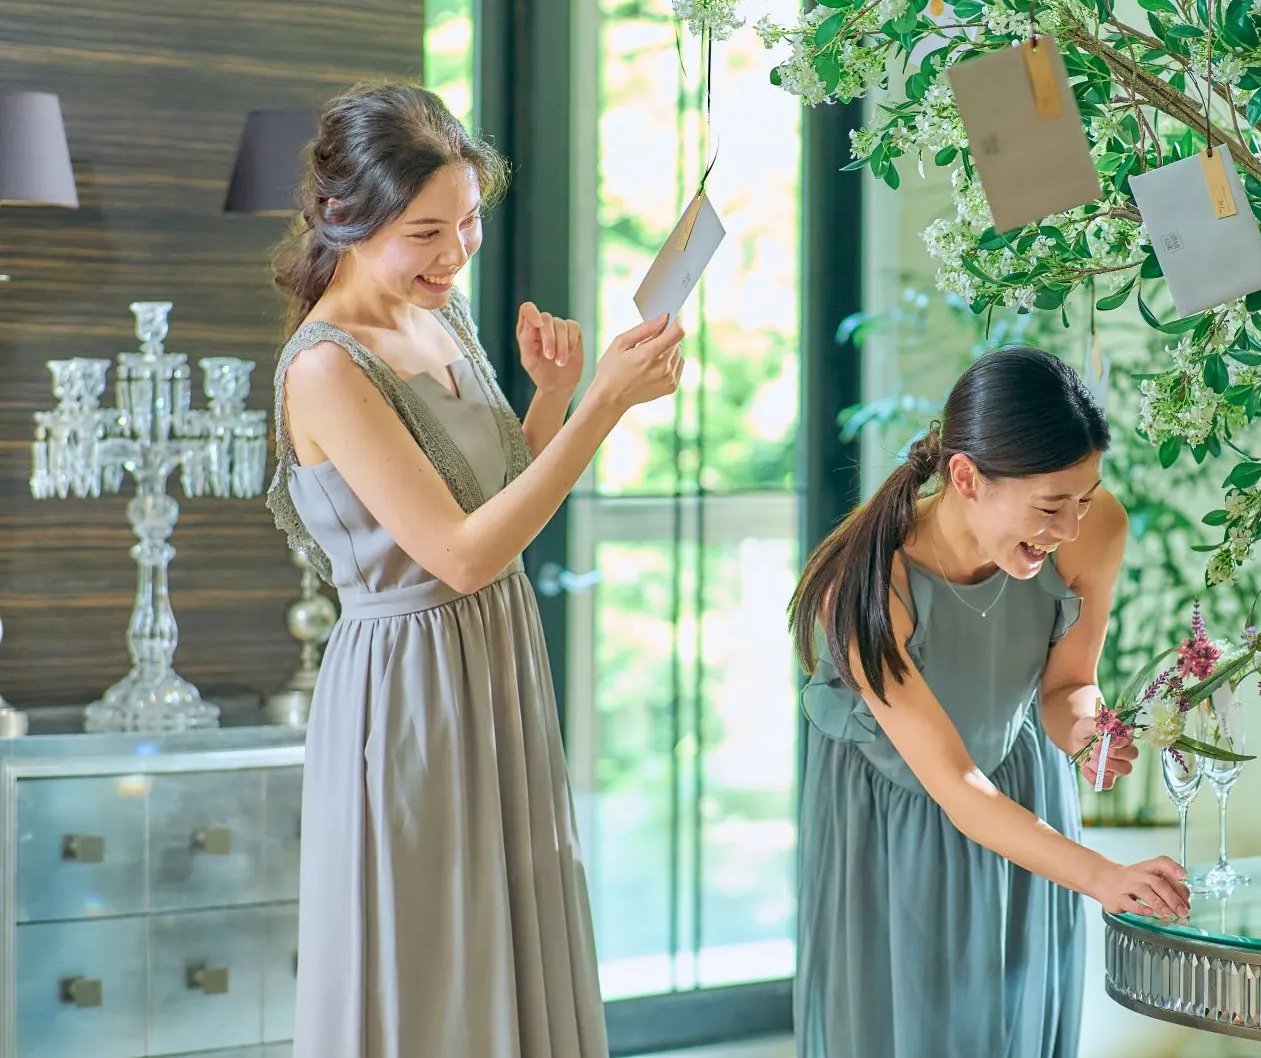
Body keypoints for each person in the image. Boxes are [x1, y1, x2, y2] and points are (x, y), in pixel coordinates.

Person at [266, 84, 687, 1058]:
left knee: (507, 942)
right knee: (430, 972)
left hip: (492, 667)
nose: (454, 255)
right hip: (407, 696)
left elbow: (491, 506)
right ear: (345, 217)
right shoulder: (325, 369)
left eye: (468, 223)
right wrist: (602, 410)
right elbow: (457, 557)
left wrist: (551, 400)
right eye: (426, 232)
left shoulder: (440, 319)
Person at [791, 346, 1189, 1058]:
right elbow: (954, 783)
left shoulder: (1092, 531)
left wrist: (1088, 732)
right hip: (894, 818)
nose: (1068, 527)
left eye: (1083, 500)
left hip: (1020, 791)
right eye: (1048, 505)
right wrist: (1104, 875)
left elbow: (1066, 687)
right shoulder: (866, 585)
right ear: (965, 476)